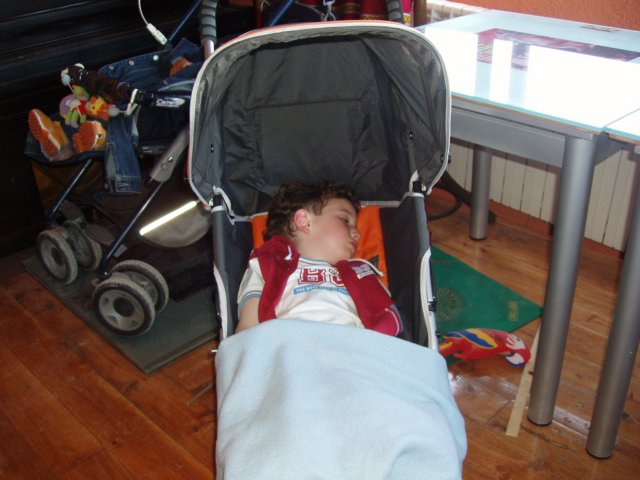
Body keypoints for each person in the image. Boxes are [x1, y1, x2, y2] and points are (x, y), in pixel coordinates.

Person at [236, 180, 403, 336]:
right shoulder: (268, 265)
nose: (357, 234)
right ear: (303, 221)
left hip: (352, 344)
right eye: (345, 220)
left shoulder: (362, 273)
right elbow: (248, 329)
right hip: (291, 342)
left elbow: (383, 322)